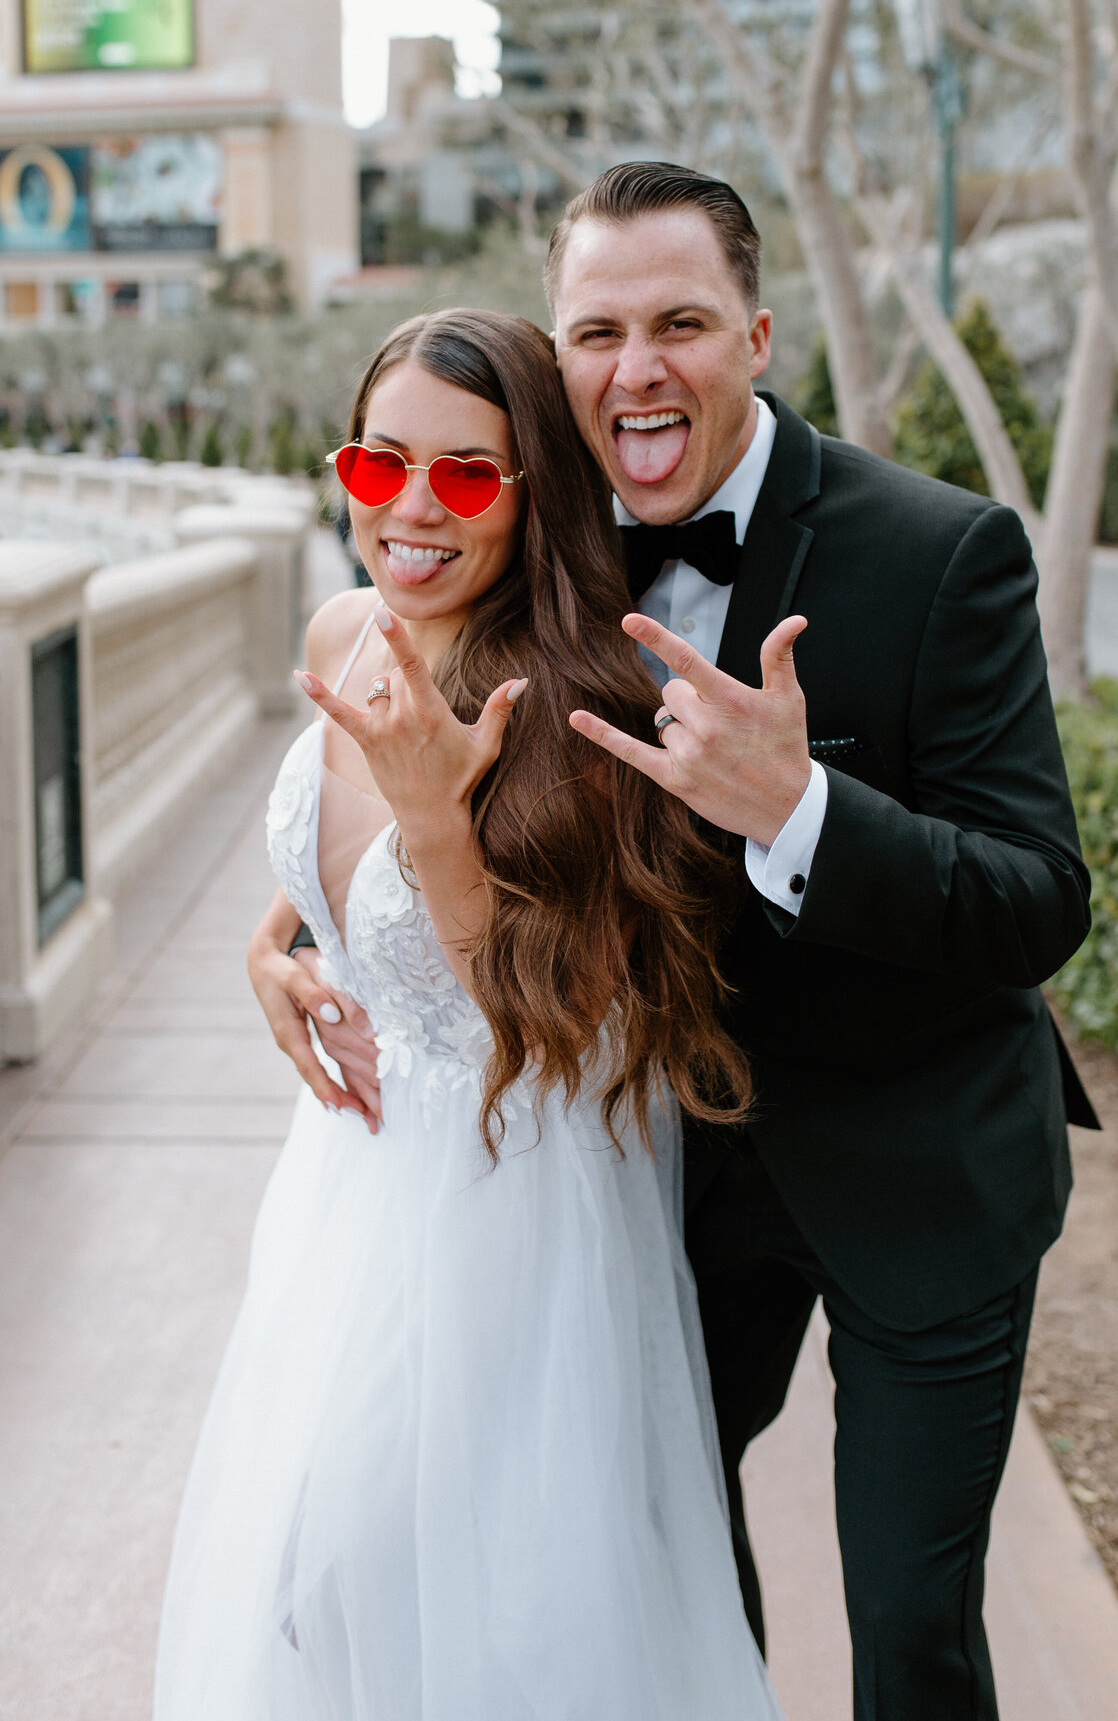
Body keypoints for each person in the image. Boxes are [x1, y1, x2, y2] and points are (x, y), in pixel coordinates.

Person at [254, 164, 1097, 1721]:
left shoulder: (939, 555)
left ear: (758, 334)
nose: (637, 367)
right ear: (555, 356)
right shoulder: (525, 556)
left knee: (912, 1618)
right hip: (660, 1171)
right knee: (654, 1563)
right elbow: (421, 780)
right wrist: (295, 934)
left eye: (681, 323)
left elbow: (1040, 895)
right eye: (598, 331)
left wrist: (805, 810)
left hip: (919, 1152)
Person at [156, 308, 785, 1720]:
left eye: (465, 474)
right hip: (352, 1190)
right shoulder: (344, 629)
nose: (415, 511)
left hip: (514, 1208)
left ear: (531, 492)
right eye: (381, 468)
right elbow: (332, 864)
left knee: (435, 1600)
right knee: (308, 1600)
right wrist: (277, 951)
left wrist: (442, 817)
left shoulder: (583, 703)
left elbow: (550, 1017)